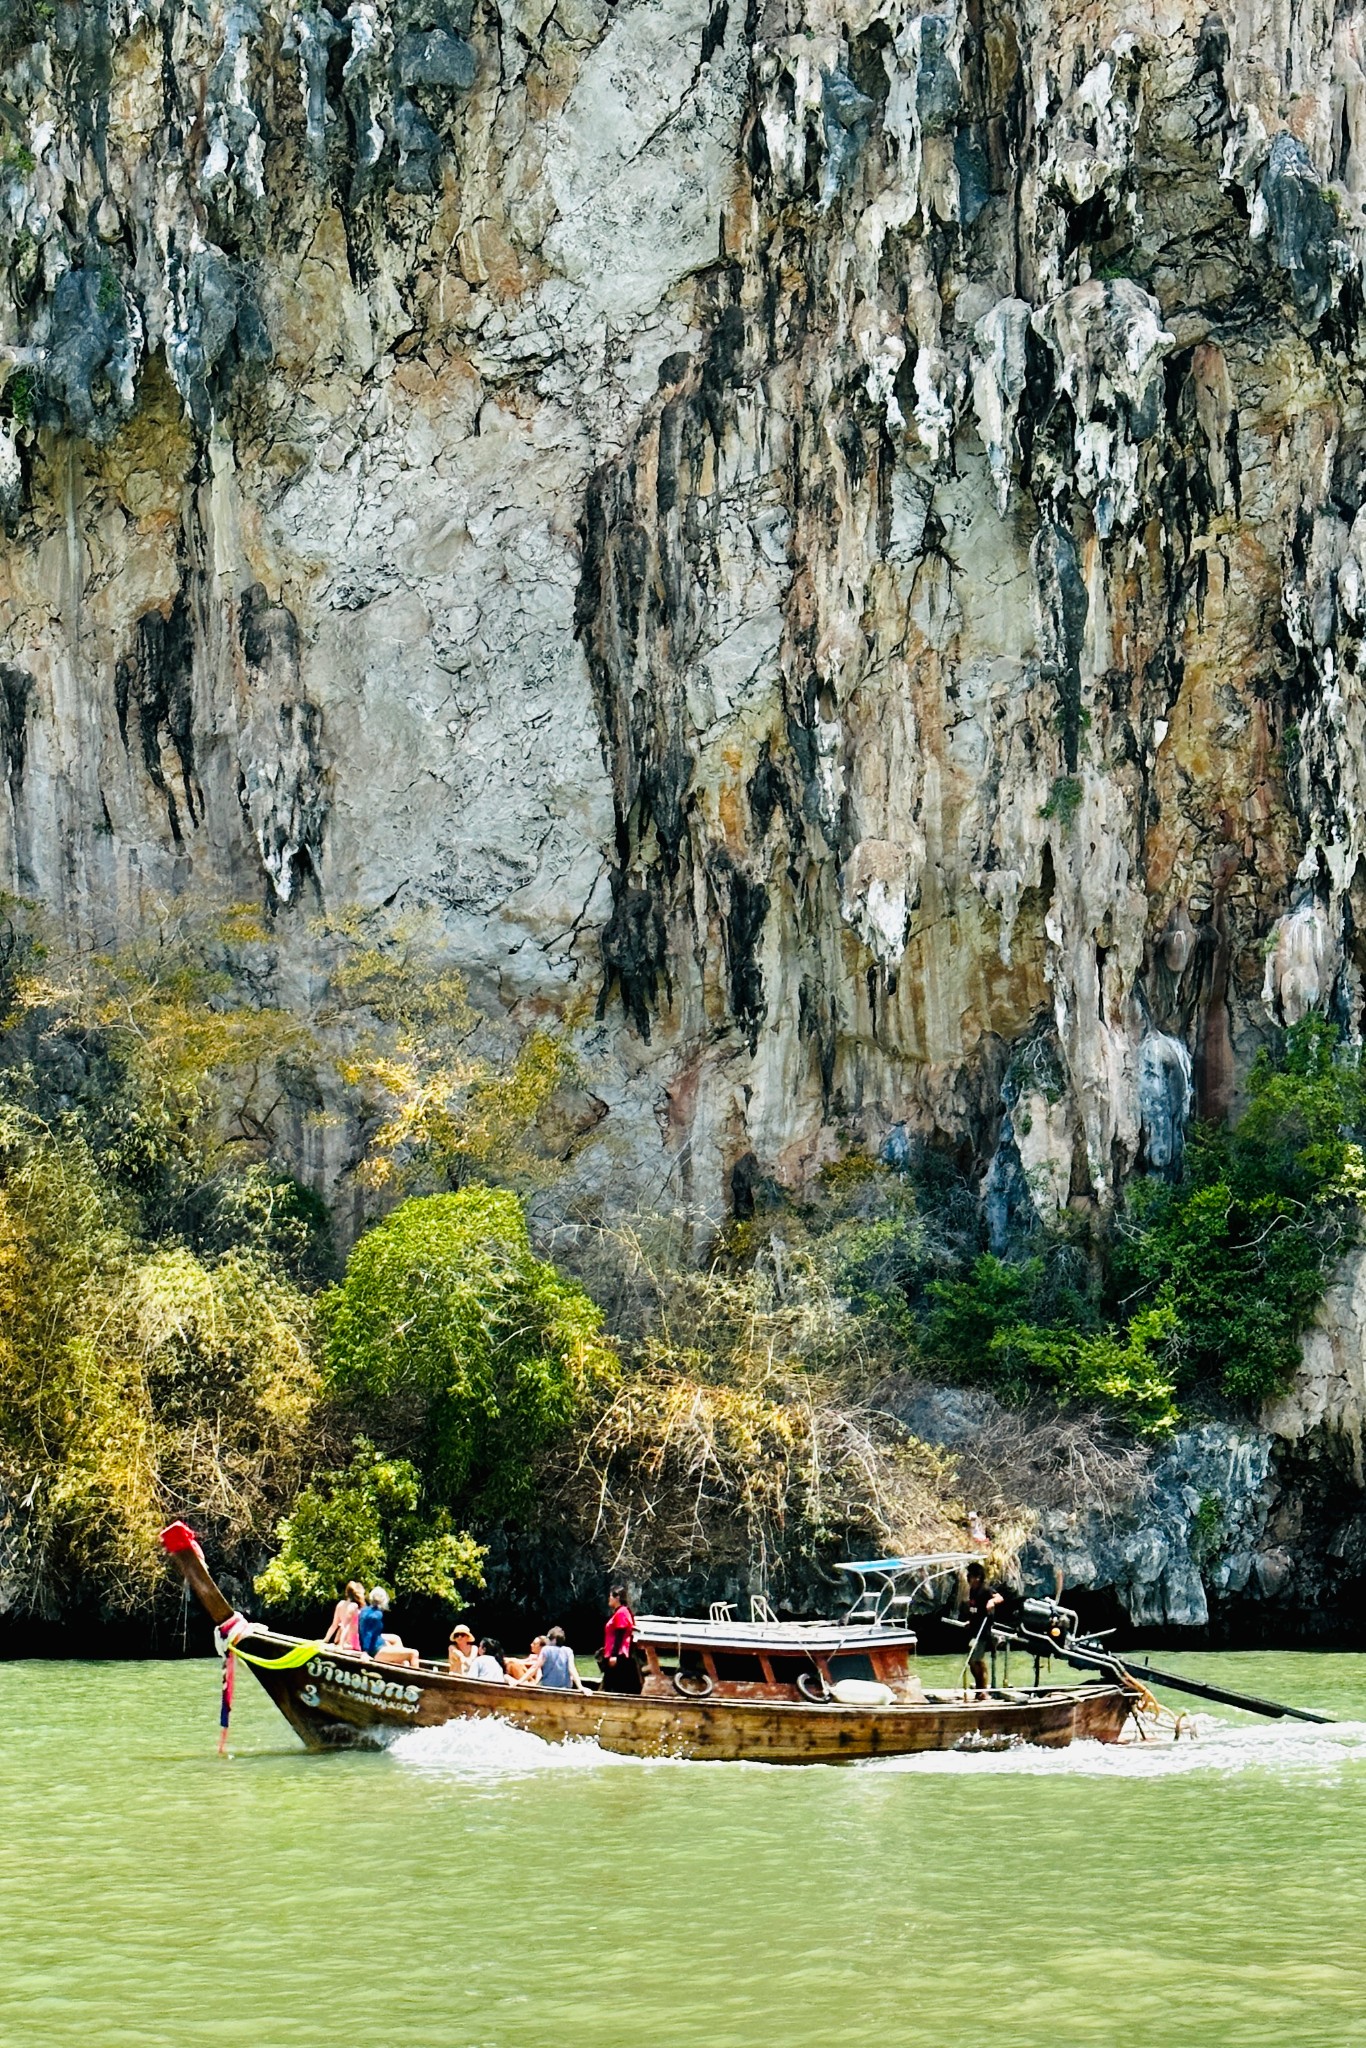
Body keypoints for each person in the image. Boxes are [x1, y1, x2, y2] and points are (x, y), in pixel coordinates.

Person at [960, 1561, 1005, 1696]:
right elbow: (975, 1610)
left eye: (974, 1577)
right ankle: (980, 1687)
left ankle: (983, 1690)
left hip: (983, 1631)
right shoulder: (972, 1591)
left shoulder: (985, 1590)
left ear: (979, 1578)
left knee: (976, 1660)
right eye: (970, 1577)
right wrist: (970, 1621)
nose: (972, 1580)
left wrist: (991, 1601)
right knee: (971, 1662)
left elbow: (999, 1597)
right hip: (974, 1630)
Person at [358, 1587, 421, 1669]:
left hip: (376, 1645)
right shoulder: (377, 1615)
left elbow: (362, 1631)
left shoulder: (364, 1610)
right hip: (376, 1651)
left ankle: (402, 1665)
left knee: (396, 1639)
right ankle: (415, 1680)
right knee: (414, 1653)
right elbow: (369, 1634)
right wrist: (365, 1652)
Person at [601, 1583, 641, 1694]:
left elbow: (620, 1634)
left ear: (617, 1597)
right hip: (616, 1654)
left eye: (610, 1596)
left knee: (614, 1687)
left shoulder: (622, 1612)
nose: (609, 1598)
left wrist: (613, 1655)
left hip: (618, 1656)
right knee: (610, 1686)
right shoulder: (620, 1612)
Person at [538, 1625, 586, 1693]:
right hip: (565, 1689)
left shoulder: (545, 1649)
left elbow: (535, 1667)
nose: (547, 1641)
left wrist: (520, 1681)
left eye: (548, 1638)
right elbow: (572, 1669)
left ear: (554, 1640)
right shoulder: (568, 1650)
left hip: (548, 1688)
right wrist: (580, 1687)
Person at [324, 1580, 367, 1651]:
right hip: (351, 1641)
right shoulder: (354, 1606)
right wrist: (341, 1645)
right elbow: (347, 1626)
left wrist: (326, 1639)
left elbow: (334, 1625)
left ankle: (340, 1643)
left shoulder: (340, 1604)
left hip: (340, 1638)